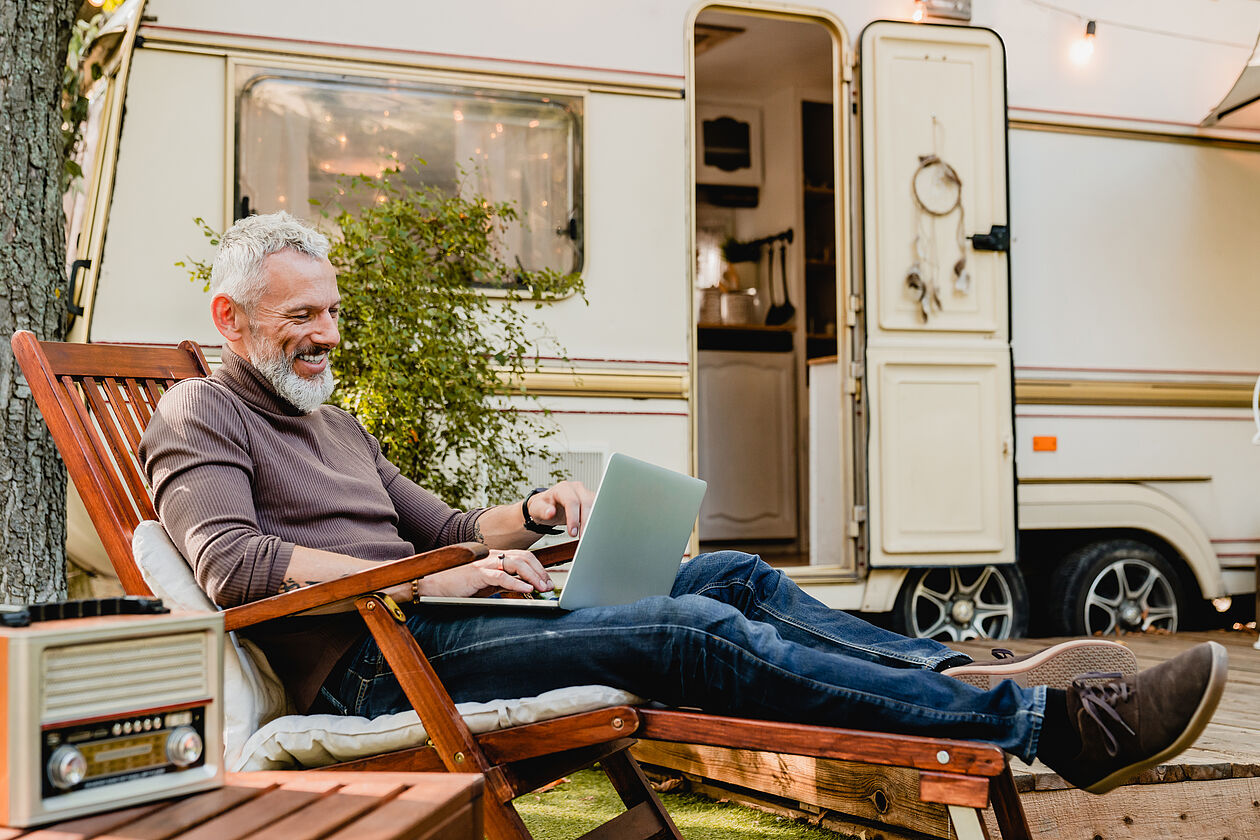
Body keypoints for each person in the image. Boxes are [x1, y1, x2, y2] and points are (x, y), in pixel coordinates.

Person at [140, 212, 1228, 796]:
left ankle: (952, 672)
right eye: (301, 318)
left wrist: (535, 514)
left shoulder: (331, 419)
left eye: (331, 311)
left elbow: (451, 533)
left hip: (436, 619)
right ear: (231, 317)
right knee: (688, 629)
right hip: (377, 667)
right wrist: (438, 578)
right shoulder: (199, 414)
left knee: (732, 577)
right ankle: (1051, 726)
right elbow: (234, 568)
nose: (327, 334)